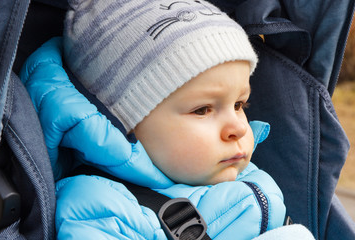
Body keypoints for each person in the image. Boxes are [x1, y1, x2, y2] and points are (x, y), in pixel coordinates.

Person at [20, 0, 315, 239]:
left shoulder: (240, 173)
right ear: (122, 122)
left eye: (239, 104)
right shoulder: (103, 209)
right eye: (202, 110)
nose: (238, 128)